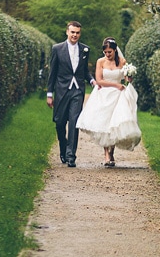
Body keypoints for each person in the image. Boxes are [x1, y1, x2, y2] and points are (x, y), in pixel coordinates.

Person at [76, 37, 141, 167]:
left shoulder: (122, 61)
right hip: (104, 94)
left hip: (118, 97)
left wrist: (129, 77)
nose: (107, 55)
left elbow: (126, 79)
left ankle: (112, 151)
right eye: (105, 52)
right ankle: (106, 154)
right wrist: (116, 86)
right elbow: (99, 80)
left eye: (110, 52)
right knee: (104, 124)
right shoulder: (101, 62)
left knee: (114, 123)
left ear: (114, 50)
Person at [47, 21, 97, 167]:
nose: (75, 35)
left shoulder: (85, 49)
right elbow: (53, 72)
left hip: (78, 91)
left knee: (74, 122)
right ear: (67, 32)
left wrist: (92, 80)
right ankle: (63, 149)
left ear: (80, 34)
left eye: (77, 33)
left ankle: (71, 156)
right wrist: (50, 94)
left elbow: (84, 71)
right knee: (60, 122)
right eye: (72, 32)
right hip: (62, 90)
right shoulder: (57, 49)